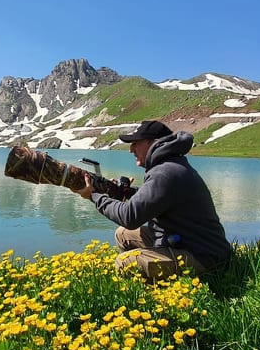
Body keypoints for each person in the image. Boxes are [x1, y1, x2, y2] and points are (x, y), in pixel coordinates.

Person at [73, 120, 230, 280]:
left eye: (135, 143)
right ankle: (149, 281)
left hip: (204, 256)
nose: (131, 149)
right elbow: (158, 197)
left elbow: (129, 217)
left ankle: (145, 295)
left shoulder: (165, 173)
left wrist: (94, 196)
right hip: (190, 242)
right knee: (124, 235)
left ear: (153, 143)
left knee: (125, 261)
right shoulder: (170, 165)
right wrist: (127, 192)